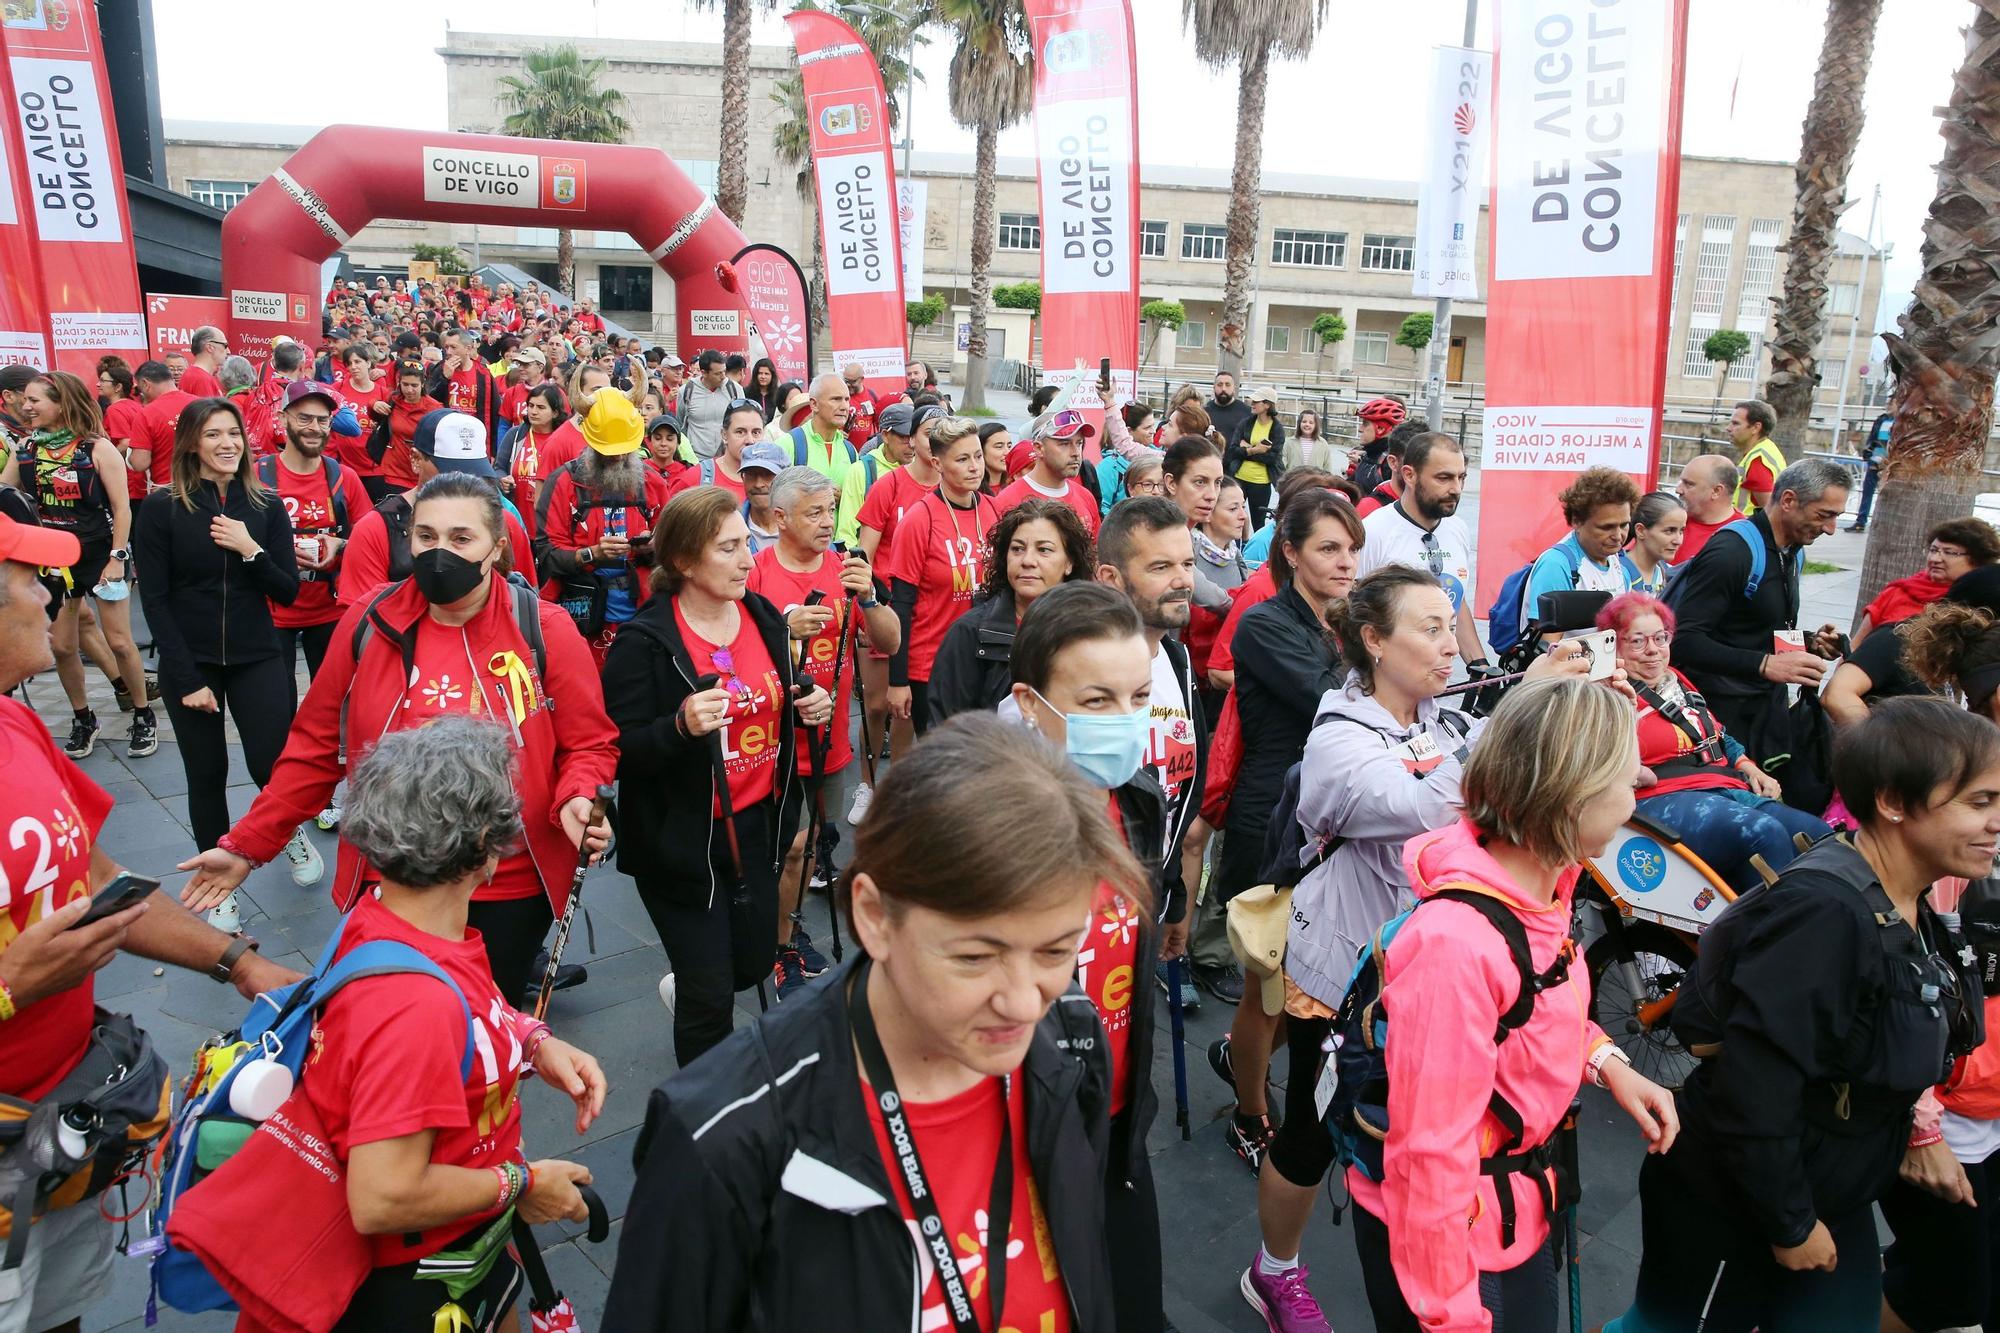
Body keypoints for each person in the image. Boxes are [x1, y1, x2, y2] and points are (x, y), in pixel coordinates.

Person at [604, 714, 1131, 1329]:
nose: (1021, 1002)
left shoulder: (1069, 1035)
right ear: (875, 916)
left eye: (1055, 951)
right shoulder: (722, 1137)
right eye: (975, 957)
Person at [1243, 569, 1591, 1329]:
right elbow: (1425, 805)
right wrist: (1521, 711)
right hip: (1346, 978)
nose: (1449, 644)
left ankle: (1437, 1240)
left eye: (1449, 625)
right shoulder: (1338, 740)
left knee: (1426, 1131)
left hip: (1440, 974)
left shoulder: (1445, 719)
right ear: (1373, 640)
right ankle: (1274, 1271)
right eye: (1429, 628)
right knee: (1313, 1134)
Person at [0, 510, 299, 1333]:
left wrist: (237, 960)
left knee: (58, 1314)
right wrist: (8, 988)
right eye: (32, 581)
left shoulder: (16, 724)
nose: (54, 598)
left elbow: (103, 884)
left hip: (58, 1124)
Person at [1605, 696, 1989, 1333]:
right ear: (1894, 802)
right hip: (1740, 1199)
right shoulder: (1826, 916)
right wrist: (1790, 1224)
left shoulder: (1909, 902)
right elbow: (1754, 1086)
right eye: (1977, 802)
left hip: (1828, 1190)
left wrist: (1920, 1135)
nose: (1996, 822)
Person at [176, 471, 618, 1006]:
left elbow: (590, 742)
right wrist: (247, 846)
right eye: (426, 536)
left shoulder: (543, 630)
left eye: (461, 539)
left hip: (510, 885)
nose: (439, 553)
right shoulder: (369, 622)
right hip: (390, 880)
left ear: (497, 547)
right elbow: (313, 749)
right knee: (393, 1025)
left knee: (484, 1033)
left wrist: (577, 794)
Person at [231, 718, 600, 1331]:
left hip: (447, 1248)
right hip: (417, 1274)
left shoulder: (389, 924)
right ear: (486, 841)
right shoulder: (414, 1005)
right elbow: (383, 1198)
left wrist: (533, 1041)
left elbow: (474, 1003)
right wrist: (523, 1182)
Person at [1357, 678, 1680, 1333]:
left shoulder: (1540, 885)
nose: (1636, 791)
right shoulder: (1455, 944)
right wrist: (1452, 1318)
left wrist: (1610, 1062)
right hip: (1459, 1244)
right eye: (1624, 777)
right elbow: (1428, 1158)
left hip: (1517, 1201)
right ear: (1570, 792)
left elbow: (1538, 1011)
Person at [601, 488, 832, 1061]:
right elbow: (618, 749)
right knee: (710, 1001)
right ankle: (704, 1123)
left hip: (757, 826)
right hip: (683, 842)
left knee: (753, 963)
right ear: (682, 560)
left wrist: (809, 700)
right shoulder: (645, 643)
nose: (748, 560)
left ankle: (690, 978)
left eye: (746, 546)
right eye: (728, 549)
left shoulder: (762, 618)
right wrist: (678, 727)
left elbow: (774, 692)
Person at [1010, 582, 1182, 1331]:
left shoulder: (1137, 801)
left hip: (1115, 1114)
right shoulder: (986, 831)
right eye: (1096, 700)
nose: (1125, 720)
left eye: (1139, 694)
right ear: (1029, 704)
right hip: (1015, 1131)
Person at [1210, 491, 1364, 1169]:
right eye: (1329, 547)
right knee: (1267, 995)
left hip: (1331, 824)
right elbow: (1335, 701)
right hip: (1274, 824)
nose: (1346, 561)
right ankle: (1249, 1113)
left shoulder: (1348, 625)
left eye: (1352, 548)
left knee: (1317, 988)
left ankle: (1237, 1058)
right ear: (1291, 552)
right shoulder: (1265, 624)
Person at [748, 466, 900, 995]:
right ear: (780, 516)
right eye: (813, 513)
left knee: (809, 845)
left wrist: (871, 598)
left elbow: (890, 642)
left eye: (829, 511)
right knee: (785, 846)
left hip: (830, 740)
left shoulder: (846, 569)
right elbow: (729, 654)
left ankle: (785, 934)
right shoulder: (755, 573)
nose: (825, 522)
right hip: (768, 743)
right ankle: (776, 943)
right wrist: (780, 630)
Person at [1603, 591, 1830, 890]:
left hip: (1722, 786)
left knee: (1819, 836)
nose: (1652, 650)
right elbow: (1599, 761)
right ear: (1613, 645)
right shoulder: (1609, 694)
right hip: (1658, 797)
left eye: (1660, 638)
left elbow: (1717, 732)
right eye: (1637, 641)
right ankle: (1770, 932)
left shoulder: (1676, 679)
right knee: (1765, 834)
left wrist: (1749, 766)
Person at [1093, 497, 1218, 1003]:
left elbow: (1183, 789)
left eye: (1187, 563)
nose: (1183, 579)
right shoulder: (1078, 669)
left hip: (1149, 900)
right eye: (1161, 566)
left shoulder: (1177, 658)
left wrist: (1173, 894)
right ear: (1111, 578)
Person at [0, 371, 156, 759]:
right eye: (26, 399)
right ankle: (83, 718)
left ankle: (143, 713)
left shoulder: (96, 448)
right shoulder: (27, 448)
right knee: (65, 647)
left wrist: (117, 559)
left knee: (120, 641)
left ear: (61, 402)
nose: (26, 405)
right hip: (54, 558)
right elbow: (5, 494)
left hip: (103, 555)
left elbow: (122, 510)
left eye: (35, 399)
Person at [1665, 458, 1849, 766]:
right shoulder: (1731, 552)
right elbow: (1683, 640)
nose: (1830, 529)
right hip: (1719, 718)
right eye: (1824, 515)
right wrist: (1765, 665)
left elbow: (1753, 627)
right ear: (1788, 500)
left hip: (1762, 711)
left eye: (1836, 517)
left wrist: (1809, 642)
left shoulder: (1792, 550)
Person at [336, 411, 535, 605]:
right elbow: (361, 618)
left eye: (475, 473)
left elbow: (525, 602)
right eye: (450, 472)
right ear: (415, 460)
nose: (462, 483)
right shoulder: (375, 529)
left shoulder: (503, 522)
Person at [534, 393, 673, 661]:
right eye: (610, 450)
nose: (618, 456)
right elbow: (545, 551)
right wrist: (592, 554)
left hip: (642, 610)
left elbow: (673, 548)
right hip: (580, 613)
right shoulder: (564, 482)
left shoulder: (652, 483)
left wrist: (653, 546)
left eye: (625, 449)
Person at [928, 496, 1091, 723]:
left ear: (1069, 562)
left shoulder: (1094, 631)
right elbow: (944, 732)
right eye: (1017, 549)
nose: (1027, 561)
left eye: (1044, 550)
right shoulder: (969, 633)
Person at [887, 416, 1002, 735]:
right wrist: (898, 681)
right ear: (937, 463)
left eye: (977, 456)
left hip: (986, 658)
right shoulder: (919, 520)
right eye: (962, 459)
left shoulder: (992, 510)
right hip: (932, 667)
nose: (974, 467)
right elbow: (901, 607)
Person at [1356, 432, 1487, 668]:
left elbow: (1455, 603)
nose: (1456, 489)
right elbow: (1348, 611)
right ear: (1409, 475)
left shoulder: (1457, 529)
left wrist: (1480, 666)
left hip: (1434, 683)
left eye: (1461, 477)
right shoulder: (1374, 531)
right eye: (1444, 478)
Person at [1519, 466, 1644, 637]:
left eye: (1623, 525)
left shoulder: (1618, 562)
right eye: (1606, 527)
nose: (1618, 536)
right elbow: (1548, 646)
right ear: (1577, 520)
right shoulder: (1556, 565)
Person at [1850, 516, 2000, 645]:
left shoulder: (1984, 602)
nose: (1935, 559)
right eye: (1933, 550)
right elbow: (1855, 646)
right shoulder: (1898, 591)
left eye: (1949, 552)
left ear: (1978, 559)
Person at [994, 407, 1101, 535]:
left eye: (1079, 443)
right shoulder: (1007, 501)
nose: (1076, 453)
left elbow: (1095, 552)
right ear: (1039, 448)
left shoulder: (1086, 497)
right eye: (1064, 444)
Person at [496, 382, 566, 534]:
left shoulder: (562, 439)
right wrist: (502, 479)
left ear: (555, 412)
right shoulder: (515, 435)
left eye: (541, 407)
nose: (533, 412)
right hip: (519, 521)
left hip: (551, 525)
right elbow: (498, 467)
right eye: (531, 405)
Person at [366, 359, 443, 494]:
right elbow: (375, 412)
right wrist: (374, 404)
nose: (409, 390)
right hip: (394, 471)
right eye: (405, 384)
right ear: (399, 383)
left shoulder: (434, 408)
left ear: (423, 384)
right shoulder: (393, 400)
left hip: (422, 473)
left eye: (414, 385)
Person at [668, 398, 760, 503]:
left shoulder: (774, 481)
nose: (750, 440)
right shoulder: (696, 478)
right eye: (740, 432)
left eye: (756, 432)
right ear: (724, 435)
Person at [335, 344, 394, 502]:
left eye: (357, 361)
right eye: (349, 363)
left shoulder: (383, 393)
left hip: (376, 469)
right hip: (346, 467)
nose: (353, 367)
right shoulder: (338, 389)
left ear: (368, 363)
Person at [1222, 386, 1285, 527]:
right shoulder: (1246, 423)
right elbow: (1233, 450)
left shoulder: (1277, 429)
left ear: (1267, 405)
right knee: (1231, 520)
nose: (1252, 403)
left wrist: (1246, 449)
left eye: (1256, 401)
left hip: (1261, 483)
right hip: (1239, 478)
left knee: (1258, 523)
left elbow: (1272, 458)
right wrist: (1256, 450)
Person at [426, 327, 502, 442]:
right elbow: (429, 401)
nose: (448, 352)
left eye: (453, 347)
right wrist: (445, 379)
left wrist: (492, 447)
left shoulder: (483, 373)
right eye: (446, 347)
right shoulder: (440, 369)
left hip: (474, 436)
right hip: (446, 436)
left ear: (468, 349)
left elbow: (495, 410)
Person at [787, 374, 857, 482]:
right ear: (814, 404)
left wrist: (844, 495)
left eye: (846, 400)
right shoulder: (789, 444)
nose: (844, 407)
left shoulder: (850, 450)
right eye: (836, 399)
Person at [1673, 453, 1741, 564]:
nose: (1678, 490)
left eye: (1688, 484)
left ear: (1716, 491)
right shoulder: (1667, 519)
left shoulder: (1741, 537)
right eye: (1681, 482)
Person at [1728, 398, 1787, 515]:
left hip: (1748, 528)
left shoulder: (1758, 459)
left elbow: (1769, 511)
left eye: (1735, 423)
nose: (1729, 428)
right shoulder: (1766, 449)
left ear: (1755, 427)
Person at [675, 350, 735, 458]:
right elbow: (680, 423)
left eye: (724, 372)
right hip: (696, 459)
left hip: (727, 458)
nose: (723, 377)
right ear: (703, 372)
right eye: (717, 373)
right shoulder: (686, 391)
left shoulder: (734, 389)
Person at [1626, 490, 1688, 595]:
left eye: (1681, 531)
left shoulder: (1670, 575)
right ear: (1640, 530)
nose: (1678, 541)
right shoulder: (1616, 573)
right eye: (1669, 531)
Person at [1347, 396, 1408, 493]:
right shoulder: (1370, 454)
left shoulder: (1389, 464)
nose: (1360, 429)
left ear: (1380, 429)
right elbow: (1350, 486)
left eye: (1365, 423)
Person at [738, 441, 787, 556]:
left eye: (767, 474)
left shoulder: (805, 526)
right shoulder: (729, 527)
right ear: (743, 478)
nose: (758, 484)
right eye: (751, 475)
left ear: (785, 478)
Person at [1849, 410, 1892, 532]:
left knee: (1885, 494)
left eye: (1891, 402)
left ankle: (1882, 523)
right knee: (1867, 492)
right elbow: (1873, 439)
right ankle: (1861, 521)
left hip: (1889, 463)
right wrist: (1869, 456)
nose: (1889, 406)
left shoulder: (1900, 421)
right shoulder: (1882, 420)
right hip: (1874, 461)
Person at [840, 361, 880, 453]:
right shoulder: (839, 395)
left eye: (852, 381)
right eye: (846, 381)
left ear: (862, 379)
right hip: (843, 452)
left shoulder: (871, 396)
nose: (849, 385)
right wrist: (836, 434)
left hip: (864, 454)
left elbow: (879, 425)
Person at [1291, 408, 1344, 476]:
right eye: (1304, 421)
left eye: (1311, 422)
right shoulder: (1289, 443)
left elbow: (1327, 467)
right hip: (1294, 482)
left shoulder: (1323, 444)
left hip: (1316, 483)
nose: (1307, 424)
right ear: (1299, 423)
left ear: (1316, 425)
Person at [178, 325, 227, 398]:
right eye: (225, 346)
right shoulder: (202, 379)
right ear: (210, 347)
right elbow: (209, 409)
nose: (228, 351)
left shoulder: (193, 374)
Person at [1206, 369, 1251, 444]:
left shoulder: (1247, 413)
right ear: (1214, 388)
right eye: (1220, 385)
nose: (1223, 389)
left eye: (1227, 385)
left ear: (1234, 389)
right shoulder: (1205, 412)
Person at [979, 420, 1013, 494]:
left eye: (1009, 446)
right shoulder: (971, 492)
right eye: (999, 447)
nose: (1007, 452)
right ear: (980, 451)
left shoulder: (1015, 485)